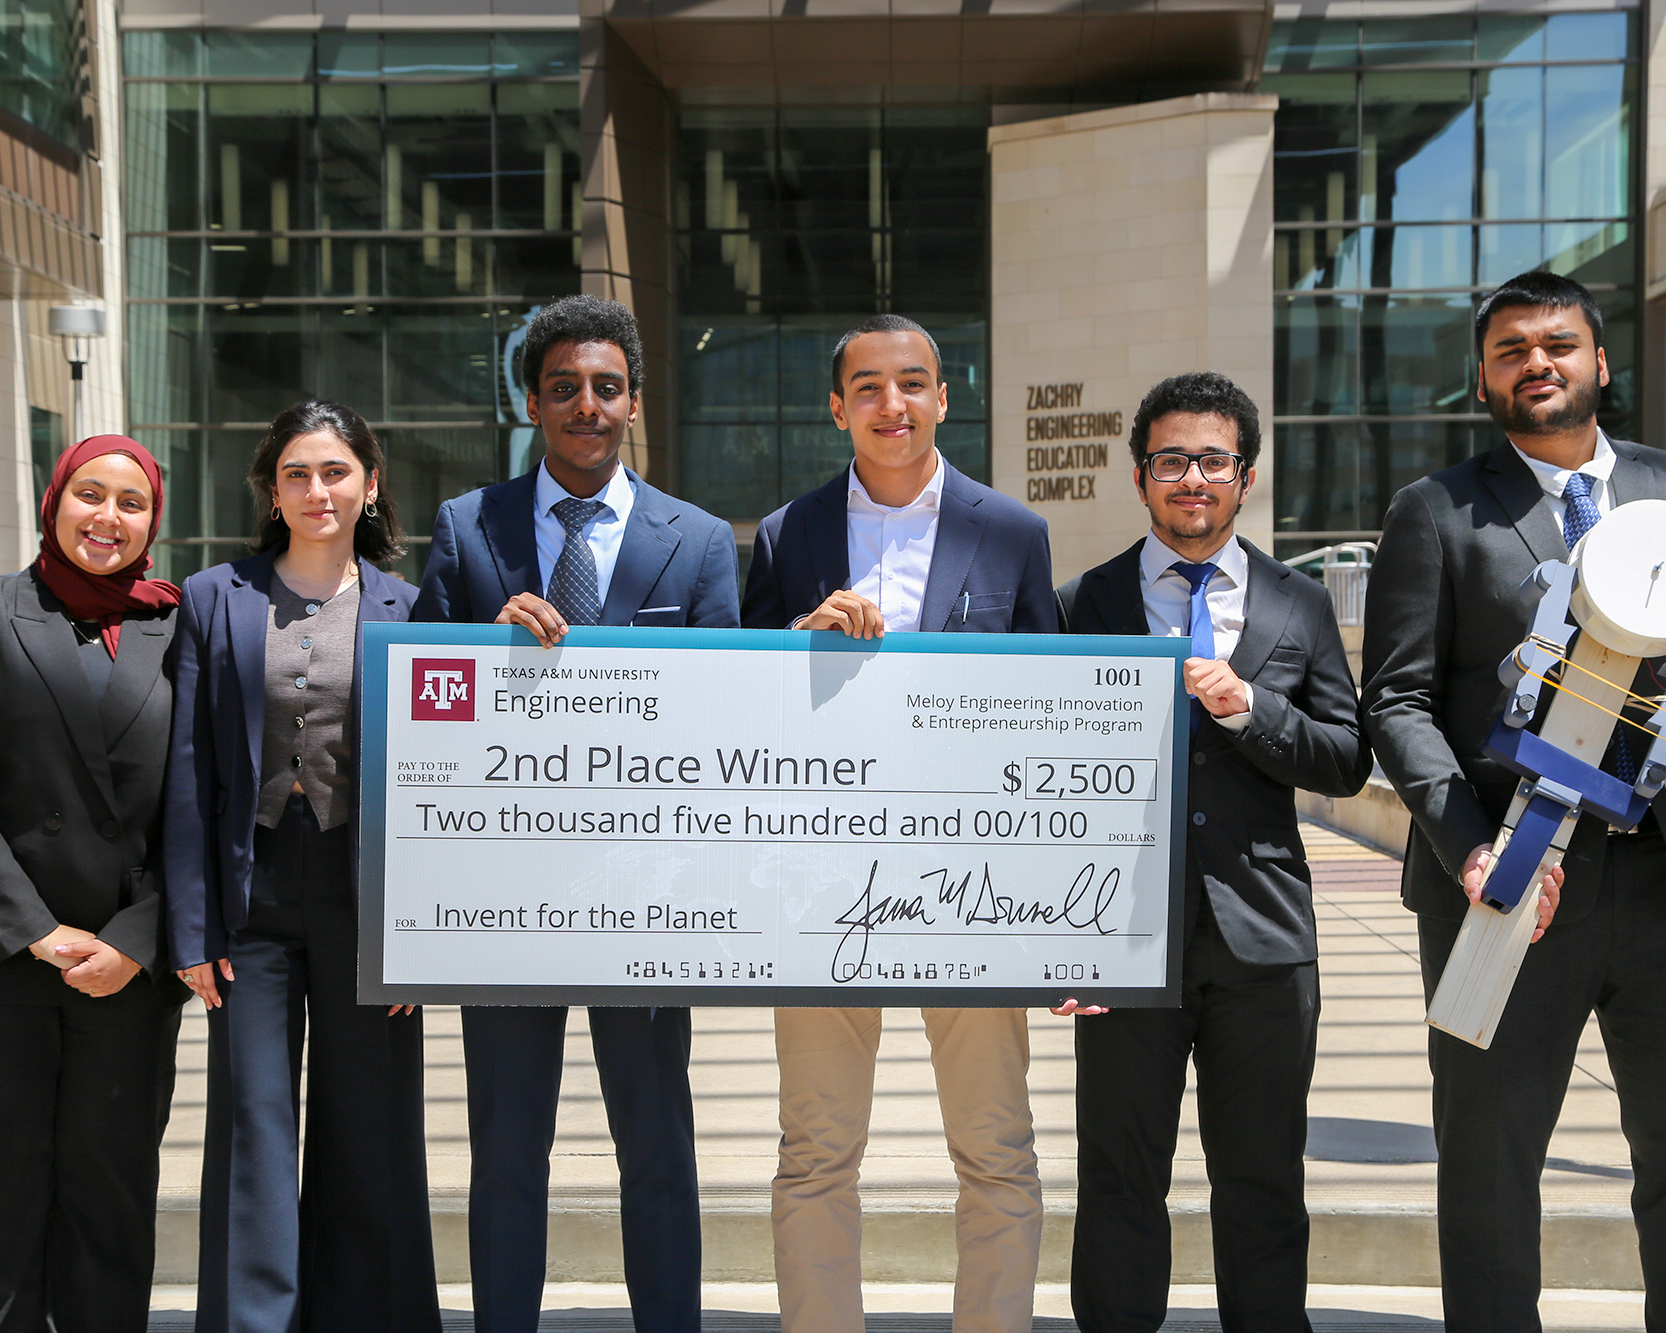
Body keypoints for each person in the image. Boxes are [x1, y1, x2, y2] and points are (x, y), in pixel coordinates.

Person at [1360, 270, 1666, 1332]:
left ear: (1599, 361)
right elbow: (1397, 699)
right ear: (1482, 376)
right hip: (1510, 887)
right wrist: (1470, 848)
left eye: (1556, 343)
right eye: (1509, 348)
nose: (1535, 363)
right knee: (1487, 1166)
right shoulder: (1433, 512)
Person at [414, 294, 738, 1333]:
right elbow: (422, 704)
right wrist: (478, 641)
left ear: (633, 402)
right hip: (502, 902)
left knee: (657, 1146)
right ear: (530, 402)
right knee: (506, 1148)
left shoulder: (695, 541)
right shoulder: (469, 528)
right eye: (562, 388)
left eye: (604, 387)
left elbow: (726, 713)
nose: (584, 405)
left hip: (647, 900)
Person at [742, 313, 1057, 1333]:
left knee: (996, 1148)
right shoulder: (787, 533)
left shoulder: (1010, 531)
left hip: (972, 889)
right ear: (837, 408)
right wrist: (801, 637)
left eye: (912, 383)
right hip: (821, 887)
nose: (893, 405)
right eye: (868, 387)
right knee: (815, 1151)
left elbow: (1048, 717)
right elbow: (741, 706)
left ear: (943, 396)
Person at [1051, 371, 1371, 1333]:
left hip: (1264, 938)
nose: (1193, 477)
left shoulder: (1300, 603)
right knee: (1116, 1174)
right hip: (1121, 941)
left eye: (1213, 460)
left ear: (1247, 475)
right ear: (1141, 476)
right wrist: (1060, 938)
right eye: (1171, 460)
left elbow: (1348, 758)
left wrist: (1249, 708)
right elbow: (1038, 773)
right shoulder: (1082, 600)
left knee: (1264, 1176)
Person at [0, 435, 187, 1332]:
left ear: (152, 520)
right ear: (54, 499)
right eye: (89, 494)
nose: (108, 516)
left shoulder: (180, 625)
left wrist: (137, 938)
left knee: (112, 1200)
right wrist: (34, 929)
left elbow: (208, 798)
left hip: (126, 964)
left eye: (130, 502)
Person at [163, 400, 438, 1332]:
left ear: (371, 483)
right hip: (255, 895)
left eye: (335, 472)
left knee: (373, 1125)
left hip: (370, 899)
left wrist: (421, 933)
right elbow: (190, 773)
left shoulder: (417, 603)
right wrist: (193, 927)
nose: (317, 490)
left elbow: (445, 783)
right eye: (296, 474)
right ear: (271, 490)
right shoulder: (213, 597)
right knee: (254, 1128)